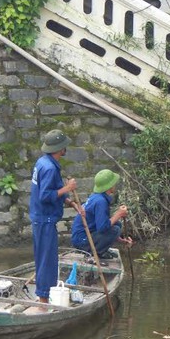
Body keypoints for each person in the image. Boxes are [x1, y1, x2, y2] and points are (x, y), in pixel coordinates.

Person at [30, 129, 81, 303]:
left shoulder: (42, 162)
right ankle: (43, 298)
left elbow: (52, 190)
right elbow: (45, 196)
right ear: (61, 149)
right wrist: (68, 188)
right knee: (48, 260)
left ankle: (41, 293)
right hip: (45, 219)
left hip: (39, 217)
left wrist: (70, 202)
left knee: (42, 257)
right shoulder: (50, 168)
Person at [71, 169, 133, 258]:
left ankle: (101, 250)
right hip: (82, 240)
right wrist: (119, 214)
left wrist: (121, 240)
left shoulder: (97, 197)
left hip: (83, 237)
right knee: (115, 229)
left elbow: (100, 223)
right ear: (110, 186)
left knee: (117, 224)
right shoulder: (100, 201)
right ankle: (97, 253)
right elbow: (102, 227)